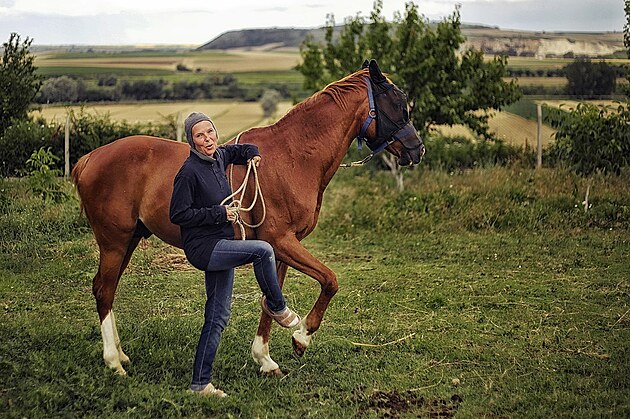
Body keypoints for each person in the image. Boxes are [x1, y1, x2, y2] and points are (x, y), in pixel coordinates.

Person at [169, 112, 300, 397]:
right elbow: (177, 214)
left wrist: (252, 154)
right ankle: (277, 306)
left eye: (210, 132)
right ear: (192, 140)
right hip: (204, 248)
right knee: (263, 251)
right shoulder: (188, 172)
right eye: (200, 136)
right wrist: (220, 213)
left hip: (220, 243)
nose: (207, 140)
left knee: (218, 316)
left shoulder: (219, 157)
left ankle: (199, 384)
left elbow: (239, 149)